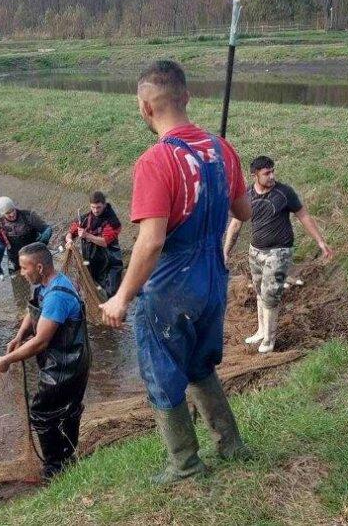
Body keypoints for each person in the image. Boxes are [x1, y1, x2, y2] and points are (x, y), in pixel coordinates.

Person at [100, 60, 252, 484]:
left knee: (163, 374)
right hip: (213, 279)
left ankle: (184, 465)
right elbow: (244, 211)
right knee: (202, 364)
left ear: (145, 108)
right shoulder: (222, 149)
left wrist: (121, 296)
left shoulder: (155, 162)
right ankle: (232, 445)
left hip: (171, 286)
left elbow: (151, 242)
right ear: (186, 97)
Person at [0, 242, 91, 479]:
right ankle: (66, 458)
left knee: (41, 411)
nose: (21, 273)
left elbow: (41, 342)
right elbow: (33, 310)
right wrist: (18, 337)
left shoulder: (57, 296)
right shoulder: (46, 285)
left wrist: (7, 360)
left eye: (24, 268)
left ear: (39, 267)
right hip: (65, 360)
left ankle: (55, 468)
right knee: (64, 410)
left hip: (67, 364)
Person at [223, 156, 334, 353]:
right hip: (255, 252)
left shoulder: (284, 193)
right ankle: (260, 330)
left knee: (270, 295)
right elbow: (236, 225)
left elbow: (303, 215)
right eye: (267, 173)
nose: (272, 176)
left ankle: (269, 340)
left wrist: (320, 241)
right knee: (259, 292)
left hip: (280, 251)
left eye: (273, 171)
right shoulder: (248, 195)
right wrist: (225, 253)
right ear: (255, 175)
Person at [65, 191, 124, 297]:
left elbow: (105, 242)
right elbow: (70, 233)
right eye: (93, 207)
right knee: (89, 291)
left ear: (104, 205)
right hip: (90, 264)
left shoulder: (113, 222)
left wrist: (87, 235)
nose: (96, 210)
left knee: (112, 294)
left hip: (110, 266)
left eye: (99, 207)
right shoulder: (84, 219)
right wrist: (69, 240)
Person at [0, 196, 52, 277]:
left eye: (13, 210)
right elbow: (0, 245)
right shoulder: (0, 224)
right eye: (8, 213)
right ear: (2, 214)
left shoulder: (29, 216)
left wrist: (45, 236)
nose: (12, 214)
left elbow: (46, 228)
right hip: (14, 260)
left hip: (33, 255)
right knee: (18, 287)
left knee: (40, 280)